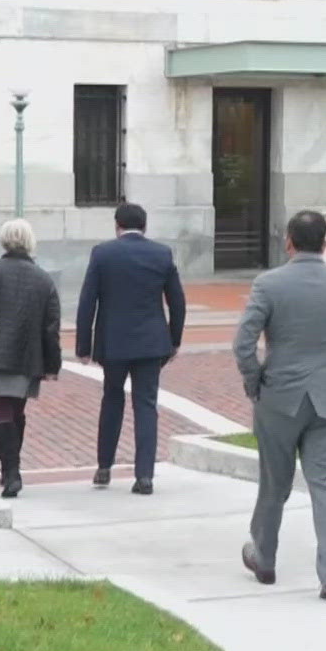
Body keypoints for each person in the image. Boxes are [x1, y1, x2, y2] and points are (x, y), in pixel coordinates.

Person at [232, 211, 326, 604]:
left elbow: (243, 343)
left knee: (274, 483)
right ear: (325, 244)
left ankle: (265, 558)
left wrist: (255, 381)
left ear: (288, 241)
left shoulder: (269, 284)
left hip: (279, 397)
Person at [76, 202, 186, 495]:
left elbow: (88, 301)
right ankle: (145, 475)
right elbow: (177, 301)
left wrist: (83, 345)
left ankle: (104, 466)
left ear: (117, 226)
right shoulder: (161, 254)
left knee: (111, 400)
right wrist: (174, 340)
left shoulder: (103, 253)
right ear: (145, 226)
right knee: (146, 405)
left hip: (113, 342)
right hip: (151, 342)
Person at [0, 218, 62, 499]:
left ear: (5, 240)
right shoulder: (43, 279)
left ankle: (10, 472)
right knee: (16, 412)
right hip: (27, 357)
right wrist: (52, 365)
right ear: (30, 241)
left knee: (2, 414)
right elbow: (51, 327)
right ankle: (12, 470)